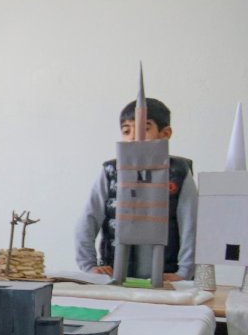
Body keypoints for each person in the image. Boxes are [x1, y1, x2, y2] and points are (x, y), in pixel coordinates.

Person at [74, 97, 196, 281]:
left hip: (165, 275)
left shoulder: (178, 172)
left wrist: (184, 272)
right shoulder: (111, 172)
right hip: (117, 273)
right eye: (126, 130)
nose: (134, 136)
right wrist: (89, 266)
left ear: (165, 133)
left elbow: (190, 224)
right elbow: (88, 219)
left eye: (145, 129)